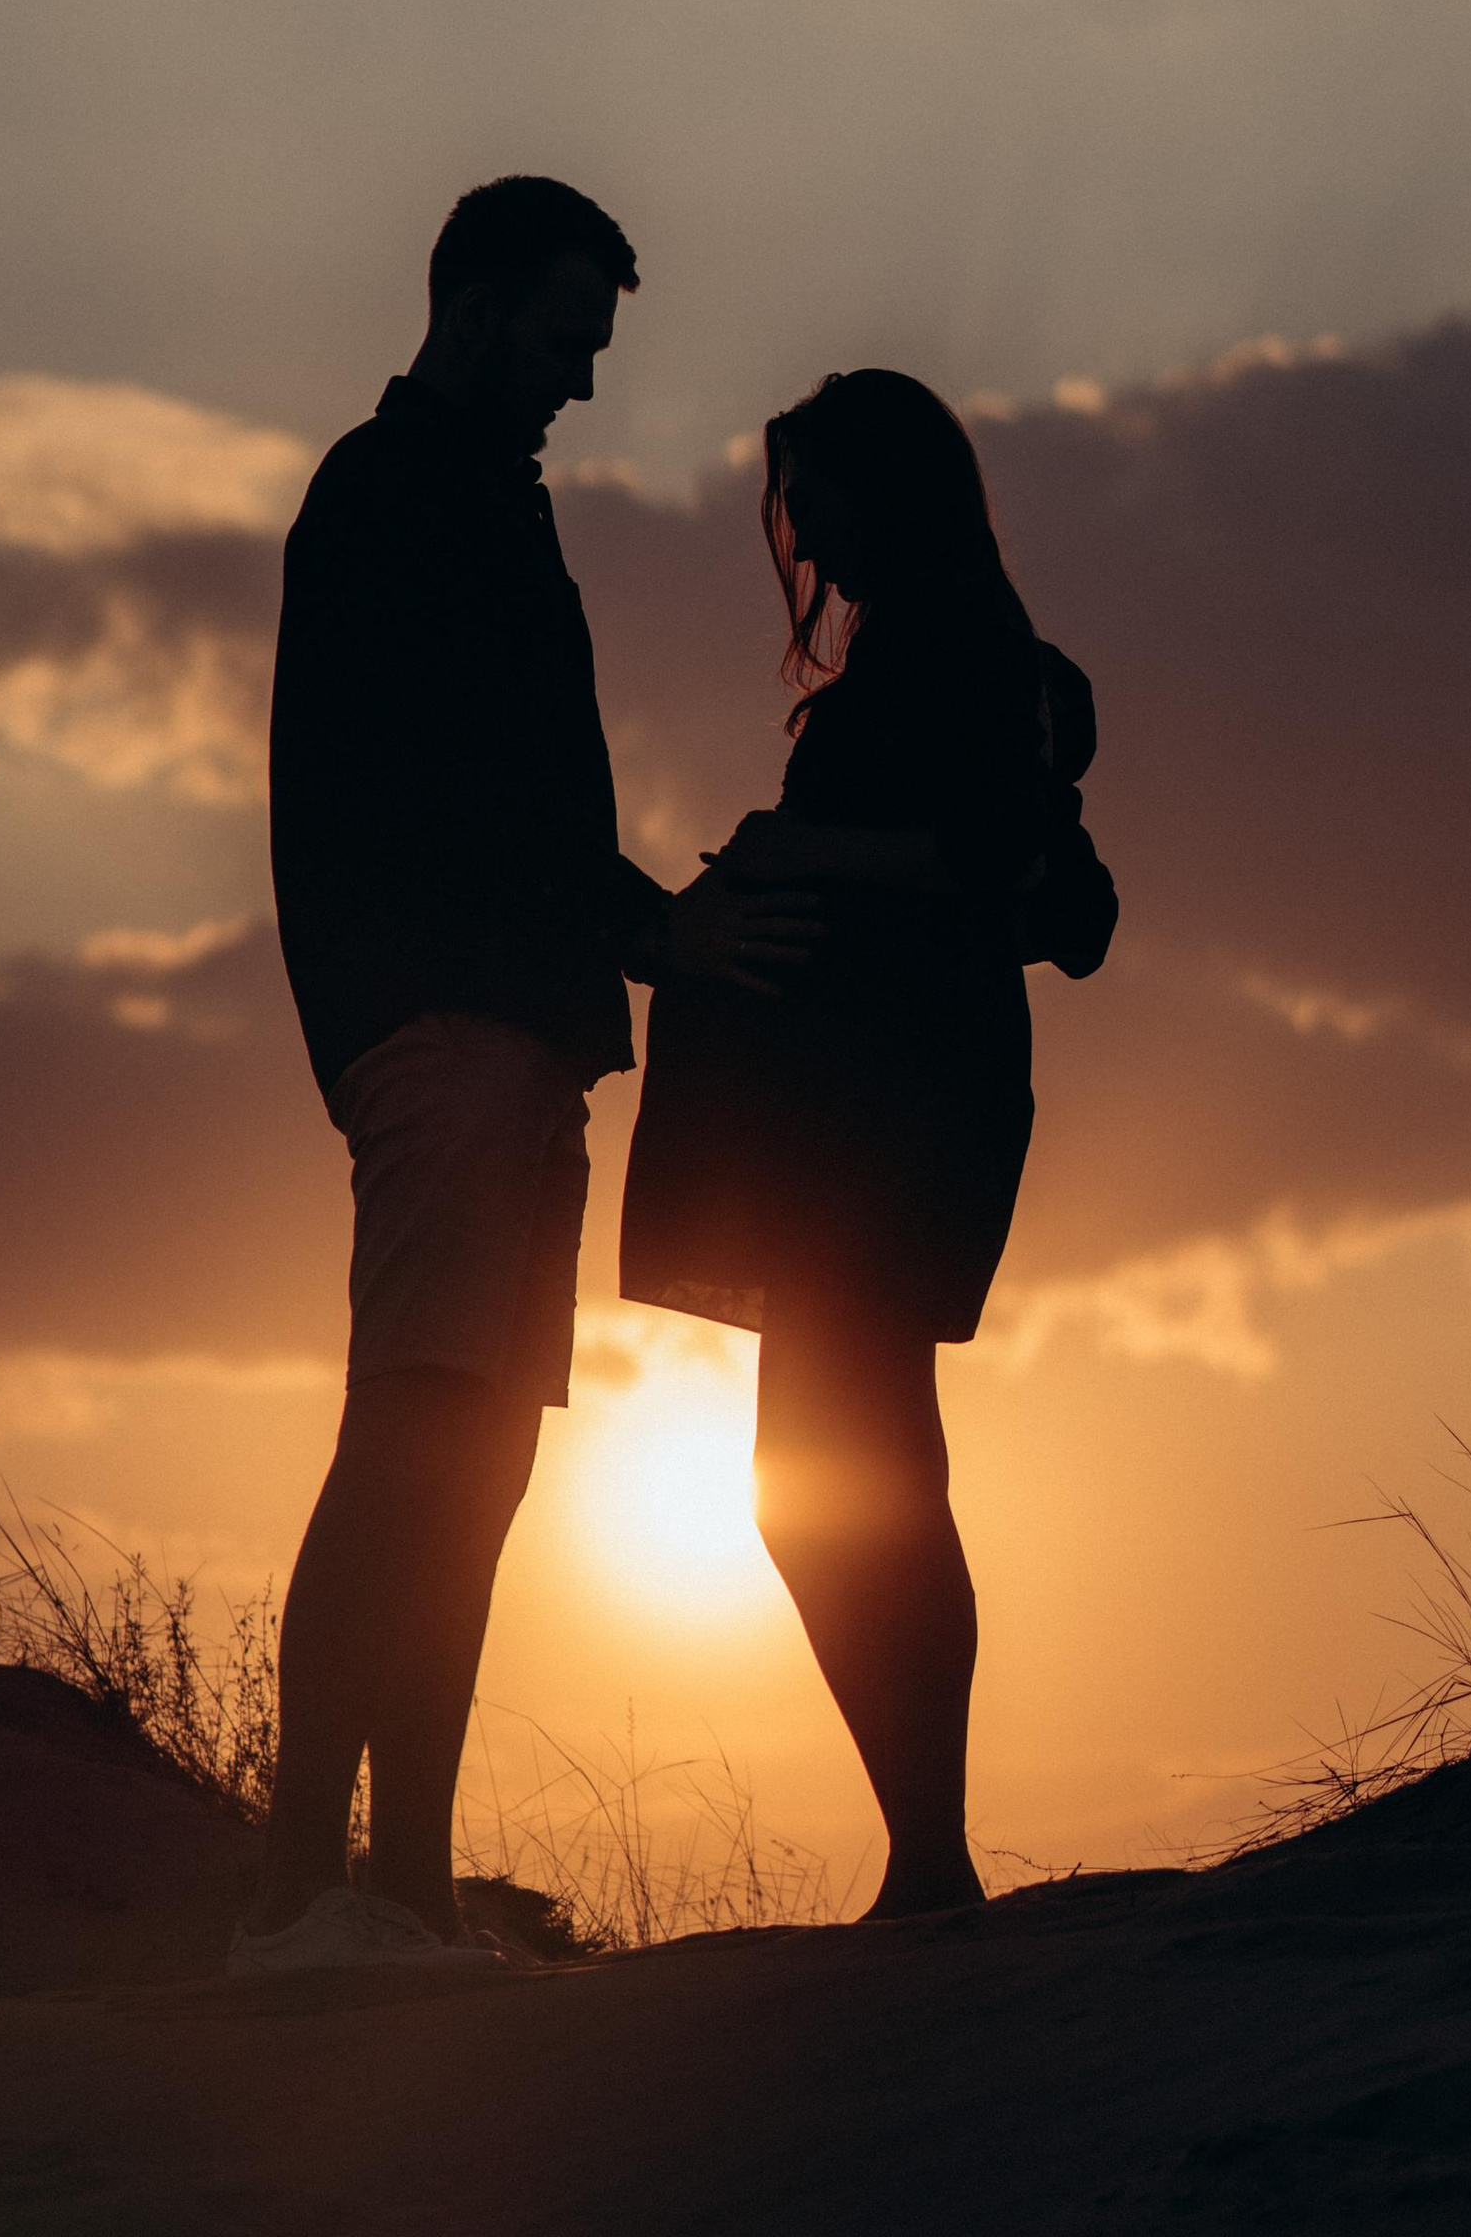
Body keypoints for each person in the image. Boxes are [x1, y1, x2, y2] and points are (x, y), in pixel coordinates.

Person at [235, 176, 815, 1979]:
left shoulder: (464, 499)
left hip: (506, 1034)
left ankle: (396, 1883)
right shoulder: (397, 497)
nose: (579, 380)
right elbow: (464, 787)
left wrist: (628, 934)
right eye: (566, 340)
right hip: (449, 1027)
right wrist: (649, 927)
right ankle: (303, 1892)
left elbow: (503, 790)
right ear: (478, 307)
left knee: (469, 1459)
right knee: (417, 1436)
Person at [620, 367, 1115, 1923]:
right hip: (881, 1103)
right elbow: (1061, 901)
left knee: (846, 1471)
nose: (797, 523)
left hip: (902, 1110)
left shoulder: (969, 650)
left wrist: (796, 848)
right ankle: (926, 1847)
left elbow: (1016, 877)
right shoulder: (949, 652)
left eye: (816, 490)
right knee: (850, 1465)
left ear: (886, 488)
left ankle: (930, 1852)